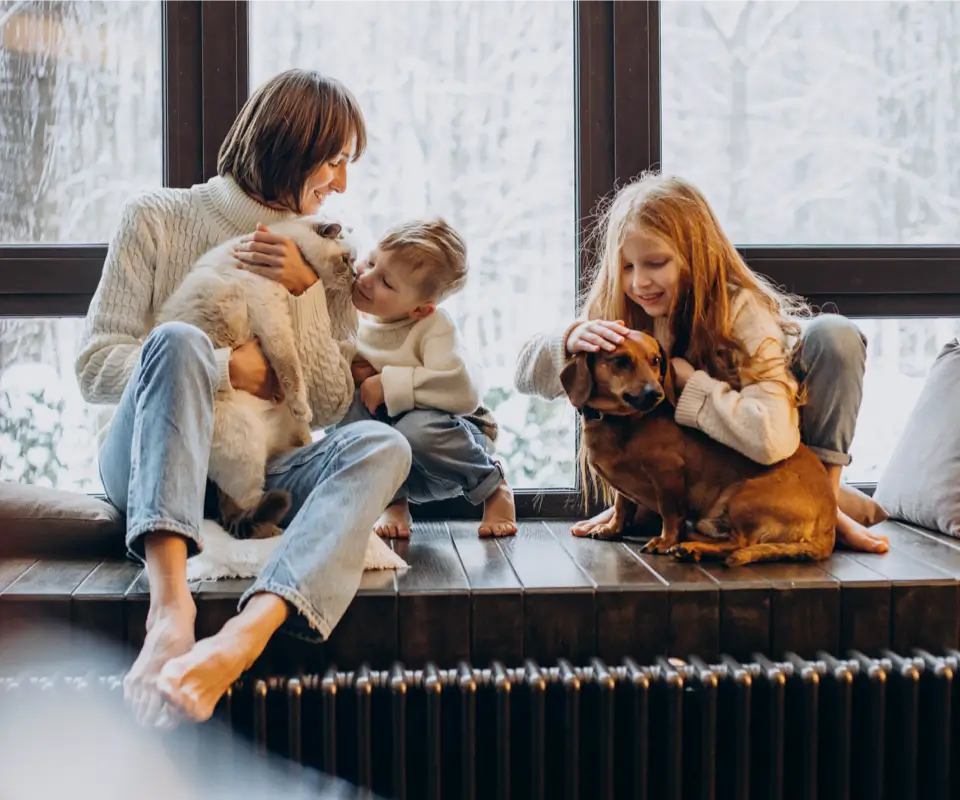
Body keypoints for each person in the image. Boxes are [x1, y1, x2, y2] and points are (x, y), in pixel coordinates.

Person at [75, 69, 412, 726]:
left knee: (383, 444)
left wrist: (310, 291)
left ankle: (244, 635)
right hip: (150, 461)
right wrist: (226, 367)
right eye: (334, 161)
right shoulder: (159, 217)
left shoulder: (318, 255)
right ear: (288, 146)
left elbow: (327, 396)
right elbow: (95, 366)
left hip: (259, 472)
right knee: (178, 341)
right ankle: (170, 607)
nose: (341, 183)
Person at [514, 172, 889, 554]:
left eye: (656, 263)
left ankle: (828, 508)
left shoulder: (741, 310)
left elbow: (772, 440)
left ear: (698, 256)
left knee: (834, 335)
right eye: (627, 267)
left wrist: (690, 384)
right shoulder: (620, 309)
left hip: (766, 473)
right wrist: (569, 340)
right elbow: (523, 375)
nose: (640, 282)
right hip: (685, 482)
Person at [341, 218, 517, 538]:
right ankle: (391, 501)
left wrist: (388, 383)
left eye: (386, 283)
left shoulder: (433, 326)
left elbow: (464, 391)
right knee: (344, 402)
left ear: (420, 310)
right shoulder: (349, 314)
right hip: (402, 469)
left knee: (415, 428)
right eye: (370, 261)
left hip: (451, 452)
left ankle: (493, 487)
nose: (366, 278)